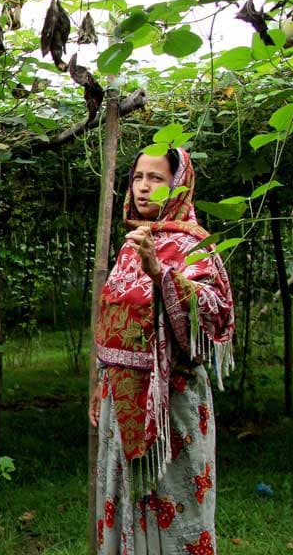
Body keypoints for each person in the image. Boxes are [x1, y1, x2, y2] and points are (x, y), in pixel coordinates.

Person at [89, 147, 235, 554]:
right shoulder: (129, 245)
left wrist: (161, 274)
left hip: (174, 403)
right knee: (126, 500)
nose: (142, 187)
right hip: (124, 402)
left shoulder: (194, 246)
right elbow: (112, 325)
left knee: (175, 504)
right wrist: (100, 384)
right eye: (137, 177)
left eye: (155, 178)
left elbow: (216, 313)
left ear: (177, 184)